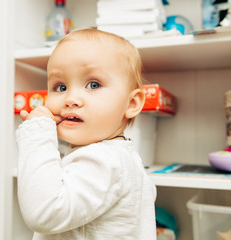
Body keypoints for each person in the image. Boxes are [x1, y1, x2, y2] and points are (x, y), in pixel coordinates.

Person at [16, 28, 157, 240]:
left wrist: (37, 135)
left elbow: (44, 213)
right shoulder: (119, 155)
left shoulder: (104, 161)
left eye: (93, 85)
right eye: (60, 86)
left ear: (132, 103)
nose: (71, 98)